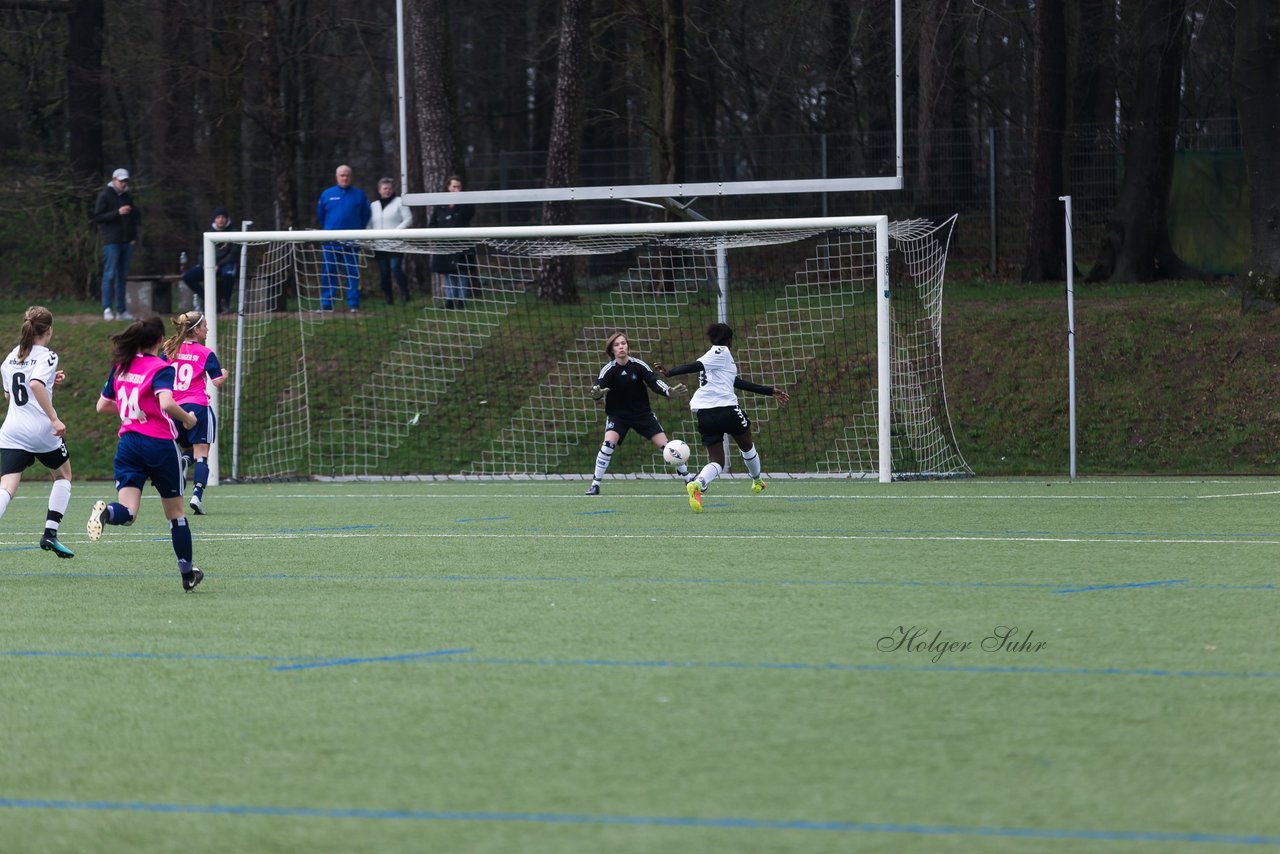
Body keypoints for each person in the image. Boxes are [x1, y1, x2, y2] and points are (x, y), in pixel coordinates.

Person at [88, 316, 204, 592]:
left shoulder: (121, 367)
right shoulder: (161, 367)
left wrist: (133, 410)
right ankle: (187, 573)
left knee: (128, 513)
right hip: (159, 446)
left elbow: (101, 406)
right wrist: (187, 419)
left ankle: (106, 514)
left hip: (128, 444)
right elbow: (166, 401)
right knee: (176, 514)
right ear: (160, 340)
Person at [656, 322, 790, 513]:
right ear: (729, 340)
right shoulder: (721, 353)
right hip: (726, 409)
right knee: (747, 445)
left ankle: (699, 483)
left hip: (704, 413)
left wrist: (769, 391)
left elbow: (735, 382)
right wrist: (671, 372)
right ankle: (757, 480)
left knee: (718, 461)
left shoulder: (714, 359)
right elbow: (695, 365)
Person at [0, 307, 74, 558]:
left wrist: (51, 380)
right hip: (41, 431)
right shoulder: (48, 355)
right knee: (63, 475)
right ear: (49, 329)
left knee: (7, 486)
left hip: (12, 431)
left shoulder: (12, 356)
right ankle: (50, 533)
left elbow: (10, 394)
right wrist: (54, 419)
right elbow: (34, 384)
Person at [584, 331, 688, 496]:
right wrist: (596, 393)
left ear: (628, 345)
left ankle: (689, 479)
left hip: (642, 415)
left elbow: (654, 382)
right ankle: (595, 484)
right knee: (608, 445)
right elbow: (596, 389)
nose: (621, 347)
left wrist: (669, 391)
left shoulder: (638, 365)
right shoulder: (608, 370)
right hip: (618, 416)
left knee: (668, 448)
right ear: (612, 350)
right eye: (617, 345)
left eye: (623, 343)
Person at [162, 311, 226, 515]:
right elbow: (216, 383)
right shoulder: (205, 353)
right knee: (202, 453)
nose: (207, 329)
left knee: (187, 449)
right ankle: (197, 495)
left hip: (174, 409)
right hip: (197, 407)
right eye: (205, 326)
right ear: (196, 330)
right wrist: (224, 374)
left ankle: (184, 461)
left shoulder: (169, 349)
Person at [315, 164, 371, 312]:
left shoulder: (359, 195)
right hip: (331, 241)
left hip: (352, 242)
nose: (344, 178)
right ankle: (327, 304)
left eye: (347, 175)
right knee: (329, 272)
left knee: (352, 273)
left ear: (351, 177)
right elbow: (321, 215)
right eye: (342, 175)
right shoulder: (327, 194)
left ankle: (353, 304)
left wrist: (356, 230)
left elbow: (366, 215)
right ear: (337, 177)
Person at [90, 168, 140, 321]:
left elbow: (135, 218)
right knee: (109, 275)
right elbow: (98, 217)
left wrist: (133, 238)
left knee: (122, 277)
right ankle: (107, 309)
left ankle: (121, 311)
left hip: (127, 242)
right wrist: (117, 212)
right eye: (121, 181)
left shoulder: (127, 196)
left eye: (125, 181)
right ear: (114, 180)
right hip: (111, 242)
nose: (123, 184)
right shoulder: (105, 195)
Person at [428, 175, 475, 309]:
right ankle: (449, 300)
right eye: (454, 186)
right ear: (448, 187)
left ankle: (461, 301)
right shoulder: (440, 205)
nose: (456, 189)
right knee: (447, 273)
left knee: (462, 272)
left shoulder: (466, 204)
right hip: (444, 244)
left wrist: (458, 203)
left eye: (458, 187)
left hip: (462, 244)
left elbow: (468, 216)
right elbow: (433, 223)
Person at [180, 207, 238, 314]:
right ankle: (207, 298)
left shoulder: (234, 232)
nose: (221, 220)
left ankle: (225, 302)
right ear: (214, 220)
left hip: (225, 265)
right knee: (187, 276)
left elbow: (233, 254)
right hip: (209, 265)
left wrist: (218, 265)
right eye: (218, 217)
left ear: (227, 219)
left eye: (223, 217)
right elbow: (202, 252)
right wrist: (205, 264)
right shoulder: (208, 233)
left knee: (228, 275)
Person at [369, 177, 413, 304]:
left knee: (395, 268)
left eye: (389, 188)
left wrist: (396, 231)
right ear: (379, 190)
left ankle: (405, 294)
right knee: (384, 273)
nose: (387, 191)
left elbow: (408, 219)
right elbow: (369, 224)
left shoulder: (400, 202)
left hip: (396, 244)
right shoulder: (373, 206)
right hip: (379, 245)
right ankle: (388, 298)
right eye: (384, 188)